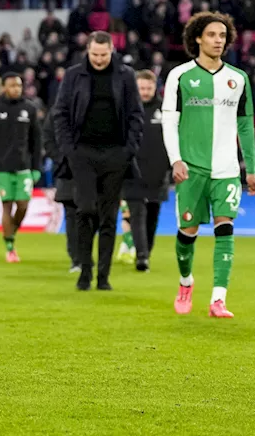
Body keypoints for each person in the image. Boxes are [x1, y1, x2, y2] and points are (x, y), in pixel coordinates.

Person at [162, 12, 255, 318]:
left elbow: (245, 125)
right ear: (197, 39)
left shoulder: (239, 78)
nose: (218, 40)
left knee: (225, 228)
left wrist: (252, 169)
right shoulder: (179, 76)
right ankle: (185, 282)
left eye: (222, 35)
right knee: (187, 232)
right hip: (191, 169)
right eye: (211, 35)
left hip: (227, 170)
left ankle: (218, 299)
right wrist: (175, 159)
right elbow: (169, 120)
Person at [51, 31, 145, 292]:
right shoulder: (73, 75)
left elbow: (136, 114)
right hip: (83, 154)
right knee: (85, 211)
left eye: (104, 55)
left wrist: (129, 149)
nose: (100, 59)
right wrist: (69, 149)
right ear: (88, 51)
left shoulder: (126, 75)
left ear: (112, 50)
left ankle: (103, 277)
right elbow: (60, 113)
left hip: (116, 154)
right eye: (95, 55)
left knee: (108, 216)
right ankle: (84, 271)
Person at [0, 73, 43, 263]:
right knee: (6, 207)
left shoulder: (29, 109)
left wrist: (36, 167)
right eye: (12, 85)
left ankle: (10, 233)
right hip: (1, 169)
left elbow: (36, 141)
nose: (16, 89)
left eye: (19, 85)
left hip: (23, 168)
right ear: (4, 87)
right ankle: (10, 248)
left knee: (23, 206)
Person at [120, 69, 169, 272]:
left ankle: (146, 252)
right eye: (142, 88)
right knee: (137, 215)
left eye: (149, 88)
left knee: (152, 217)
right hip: (132, 173)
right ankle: (141, 258)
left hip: (158, 174)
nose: (146, 92)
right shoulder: (124, 109)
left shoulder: (166, 110)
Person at [44, 109, 80, 272]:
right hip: (67, 172)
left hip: (91, 169)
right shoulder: (57, 111)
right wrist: (61, 158)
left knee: (91, 214)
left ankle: (84, 255)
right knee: (71, 214)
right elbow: (48, 138)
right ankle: (76, 258)